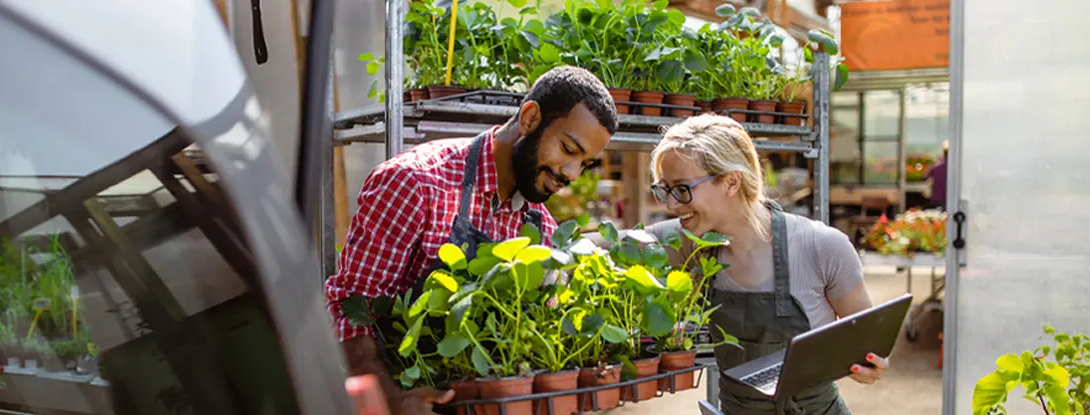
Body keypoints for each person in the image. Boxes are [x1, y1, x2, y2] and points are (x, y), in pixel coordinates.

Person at [324, 66, 619, 415]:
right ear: (530, 117)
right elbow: (350, 312)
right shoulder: (415, 183)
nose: (571, 173)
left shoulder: (539, 226)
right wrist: (394, 401)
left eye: (584, 164)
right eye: (568, 149)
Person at [599, 114, 887, 414]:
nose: (671, 205)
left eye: (682, 189)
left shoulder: (822, 247)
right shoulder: (689, 241)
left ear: (731, 182)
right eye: (665, 189)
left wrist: (872, 363)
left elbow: (869, 345)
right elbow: (610, 245)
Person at [926, 140, 948, 210]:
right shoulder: (957, 167)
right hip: (950, 198)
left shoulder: (937, 165)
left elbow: (925, 176)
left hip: (937, 198)